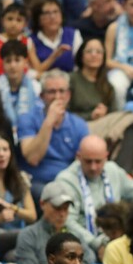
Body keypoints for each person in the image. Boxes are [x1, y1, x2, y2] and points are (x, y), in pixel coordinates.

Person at [55, 134, 133, 251]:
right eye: (88, 161)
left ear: (106, 157)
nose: (93, 167)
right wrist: (96, 244)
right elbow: (68, 221)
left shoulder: (112, 170)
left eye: (98, 161)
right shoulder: (66, 181)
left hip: (116, 236)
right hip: (85, 243)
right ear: (78, 156)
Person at [18, 69, 90, 202]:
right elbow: (33, 158)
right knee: (51, 197)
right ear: (42, 96)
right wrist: (49, 122)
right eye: (51, 92)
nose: (57, 97)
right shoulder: (27, 119)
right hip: (37, 181)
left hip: (67, 181)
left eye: (62, 91)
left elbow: (83, 163)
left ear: (68, 95)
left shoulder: (79, 124)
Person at [14, 181, 95, 264]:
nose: (62, 214)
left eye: (66, 208)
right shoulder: (28, 235)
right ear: (42, 204)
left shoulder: (77, 237)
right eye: (57, 208)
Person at [0, 39, 42, 134]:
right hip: (1, 134)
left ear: (25, 62)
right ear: (2, 63)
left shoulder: (36, 87)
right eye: (8, 61)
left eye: (17, 60)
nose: (13, 65)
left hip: (31, 134)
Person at [28, 0, 83, 75]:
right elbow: (34, 71)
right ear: (38, 18)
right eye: (47, 13)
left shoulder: (73, 34)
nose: (52, 17)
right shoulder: (30, 40)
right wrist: (55, 55)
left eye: (56, 12)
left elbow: (81, 65)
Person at [69, 38, 118, 121]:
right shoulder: (70, 80)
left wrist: (105, 114)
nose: (94, 55)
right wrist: (90, 116)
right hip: (78, 125)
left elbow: (114, 115)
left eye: (98, 52)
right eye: (89, 51)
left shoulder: (108, 86)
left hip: (103, 125)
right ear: (81, 55)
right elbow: (64, 114)